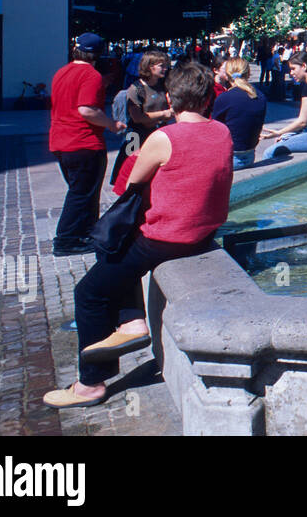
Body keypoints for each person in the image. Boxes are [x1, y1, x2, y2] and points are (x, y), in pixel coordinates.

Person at [43, 62, 232, 409]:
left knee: (89, 292)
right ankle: (131, 321)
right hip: (203, 232)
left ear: (172, 100)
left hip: (166, 239)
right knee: (116, 252)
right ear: (208, 100)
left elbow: (132, 186)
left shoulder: (164, 137)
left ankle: (90, 384)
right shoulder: (222, 132)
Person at [48, 33, 127, 256]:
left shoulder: (61, 72)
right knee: (81, 194)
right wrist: (111, 124)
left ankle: (84, 234)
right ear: (98, 54)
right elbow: (87, 110)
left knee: (80, 191)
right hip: (83, 142)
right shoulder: (90, 75)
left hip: (61, 142)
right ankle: (66, 240)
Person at [109, 50, 172, 186]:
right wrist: (164, 114)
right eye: (162, 65)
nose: (165, 69)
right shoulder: (136, 89)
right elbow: (137, 117)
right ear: (150, 66)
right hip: (136, 136)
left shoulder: (163, 86)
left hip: (156, 134)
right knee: (130, 169)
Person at [212, 58, 268, 168]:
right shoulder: (260, 96)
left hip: (230, 157)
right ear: (248, 74)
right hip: (250, 153)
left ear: (227, 75)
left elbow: (214, 129)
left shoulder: (224, 98)